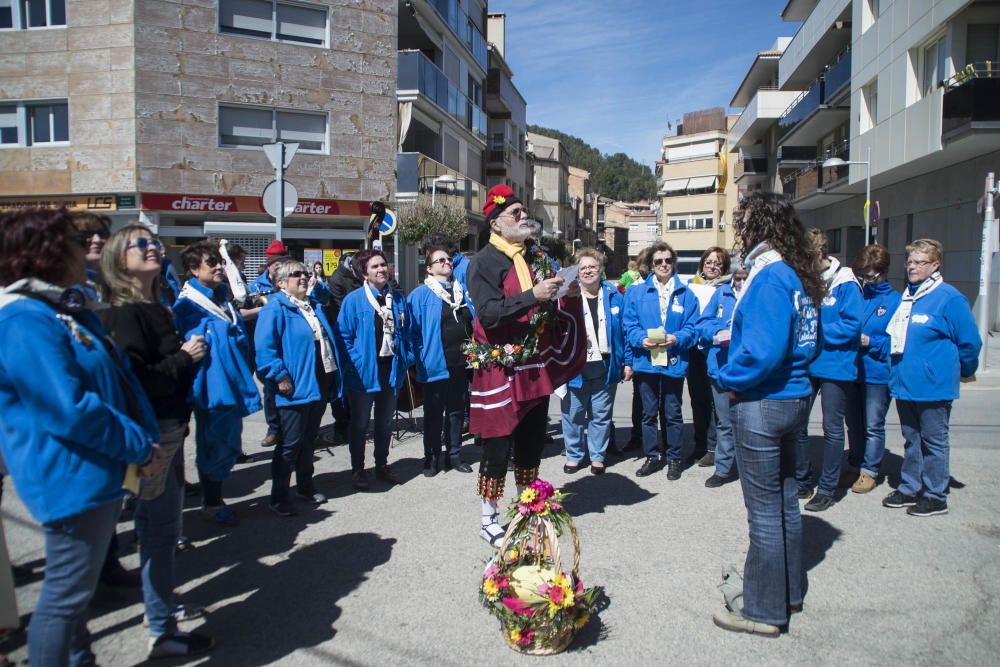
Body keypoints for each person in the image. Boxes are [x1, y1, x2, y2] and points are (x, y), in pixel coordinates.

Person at [0, 208, 165, 665]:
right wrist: (138, 444)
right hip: (71, 477)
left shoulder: (61, 307)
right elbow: (69, 409)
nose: (86, 247)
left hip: (93, 470)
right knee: (64, 600)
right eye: (74, 241)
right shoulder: (24, 319)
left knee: (75, 596)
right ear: (47, 253)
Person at [97, 225, 214, 658]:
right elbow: (136, 381)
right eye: (139, 244)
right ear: (117, 258)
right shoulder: (125, 313)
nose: (152, 248)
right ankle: (162, 628)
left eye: (153, 242)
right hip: (152, 432)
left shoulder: (155, 305)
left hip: (169, 426)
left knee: (161, 530)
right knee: (158, 530)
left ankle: (160, 616)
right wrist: (186, 356)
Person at [711, 191, 823, 636]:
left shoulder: (771, 276)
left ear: (758, 226)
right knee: (784, 505)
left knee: (763, 513)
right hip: (793, 397)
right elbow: (805, 341)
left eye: (744, 220)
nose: (739, 226)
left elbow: (761, 353)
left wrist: (725, 375)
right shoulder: (794, 273)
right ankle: (788, 592)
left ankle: (762, 611)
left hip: (764, 402)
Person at [467, 184, 585, 547]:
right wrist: (531, 296)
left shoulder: (535, 255)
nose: (523, 218)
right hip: (500, 366)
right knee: (497, 443)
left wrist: (567, 291)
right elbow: (487, 315)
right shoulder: (482, 262)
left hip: (534, 364)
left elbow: (549, 297)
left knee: (533, 440)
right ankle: (488, 514)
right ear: (496, 223)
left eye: (523, 212)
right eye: (515, 214)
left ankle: (527, 504)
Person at [883, 239, 981, 517]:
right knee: (912, 440)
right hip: (905, 384)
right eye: (910, 262)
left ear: (935, 265)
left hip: (933, 386)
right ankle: (910, 487)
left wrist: (962, 370)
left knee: (934, 442)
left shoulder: (949, 298)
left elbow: (970, 343)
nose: (912, 267)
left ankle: (935, 494)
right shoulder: (909, 296)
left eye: (920, 262)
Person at [173, 241, 262, 527]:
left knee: (227, 443)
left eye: (220, 262)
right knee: (213, 444)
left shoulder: (220, 296)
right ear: (192, 269)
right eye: (211, 263)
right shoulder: (187, 305)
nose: (219, 267)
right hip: (212, 385)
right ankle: (211, 503)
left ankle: (215, 497)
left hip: (232, 379)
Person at [256, 260, 341, 516]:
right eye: (296, 274)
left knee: (307, 441)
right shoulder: (275, 308)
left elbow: (326, 300)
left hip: (318, 381)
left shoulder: (311, 305)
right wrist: (279, 376)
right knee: (290, 443)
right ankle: (279, 496)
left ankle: (305, 486)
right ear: (281, 282)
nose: (303, 277)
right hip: (293, 386)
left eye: (305, 273)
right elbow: (264, 349)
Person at [796, 230, 864, 513]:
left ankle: (827, 488)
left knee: (832, 428)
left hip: (837, 365)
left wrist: (819, 325)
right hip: (808, 363)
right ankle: (802, 478)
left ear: (820, 254)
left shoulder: (846, 282)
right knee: (797, 423)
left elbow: (852, 326)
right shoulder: (805, 280)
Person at [623, 240, 700, 481]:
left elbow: (693, 327)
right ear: (651, 264)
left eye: (668, 260)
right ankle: (652, 456)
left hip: (674, 360)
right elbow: (629, 324)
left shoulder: (687, 293)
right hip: (646, 360)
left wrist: (677, 338)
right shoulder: (637, 292)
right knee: (648, 413)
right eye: (659, 261)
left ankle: (674, 457)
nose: (663, 265)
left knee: (672, 412)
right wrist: (640, 339)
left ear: (673, 263)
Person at [336, 248, 410, 490]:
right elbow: (343, 337)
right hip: (363, 372)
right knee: (359, 424)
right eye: (375, 267)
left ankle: (382, 464)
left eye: (383, 265)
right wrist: (356, 363)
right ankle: (358, 468)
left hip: (390, 369)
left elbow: (407, 331)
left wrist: (406, 358)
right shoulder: (353, 301)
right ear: (363, 274)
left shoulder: (397, 299)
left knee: (385, 422)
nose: (381, 270)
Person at [560, 248, 630, 475]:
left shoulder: (614, 295)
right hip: (575, 366)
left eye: (593, 266)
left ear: (601, 269)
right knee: (573, 414)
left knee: (601, 415)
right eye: (583, 267)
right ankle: (574, 455)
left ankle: (597, 456)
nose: (588, 270)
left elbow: (625, 331)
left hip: (606, 364)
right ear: (577, 272)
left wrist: (627, 362)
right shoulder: (567, 297)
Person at [408, 240, 475, 476]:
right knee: (434, 414)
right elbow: (412, 332)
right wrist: (419, 357)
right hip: (435, 363)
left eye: (448, 259)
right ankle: (432, 457)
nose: (447, 263)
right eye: (440, 260)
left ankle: (454, 454)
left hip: (461, 363)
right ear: (429, 268)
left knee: (457, 411)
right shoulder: (419, 295)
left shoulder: (462, 291)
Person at [845, 244, 901, 494]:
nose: (866, 280)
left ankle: (870, 470)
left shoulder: (895, 301)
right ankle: (854, 464)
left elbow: (898, 342)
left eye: (870, 275)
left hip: (877, 372)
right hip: (852, 369)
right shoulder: (857, 295)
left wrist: (872, 342)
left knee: (872, 424)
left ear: (882, 272)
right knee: (853, 422)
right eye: (862, 275)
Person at [696, 265, 747, 487]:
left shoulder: (758, 292)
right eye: (738, 275)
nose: (740, 280)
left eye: (745, 276)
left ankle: (751, 467)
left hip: (749, 369)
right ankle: (724, 468)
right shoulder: (721, 293)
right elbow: (703, 323)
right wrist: (716, 332)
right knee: (724, 421)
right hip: (721, 368)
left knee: (752, 423)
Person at [686, 247, 731, 466]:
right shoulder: (691, 286)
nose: (712, 266)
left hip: (717, 351)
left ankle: (714, 447)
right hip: (694, 350)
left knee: (716, 402)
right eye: (709, 262)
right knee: (698, 400)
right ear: (702, 264)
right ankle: (699, 443)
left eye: (718, 263)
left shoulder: (728, 288)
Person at [253, 241, 289, 448]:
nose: (278, 267)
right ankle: (273, 428)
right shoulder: (256, 286)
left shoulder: (292, 280)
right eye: (276, 264)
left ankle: (289, 427)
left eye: (282, 263)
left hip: (289, 342)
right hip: (266, 341)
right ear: (269, 265)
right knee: (270, 389)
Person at [324, 252, 361, 444]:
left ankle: (352, 423)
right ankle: (342, 426)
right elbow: (341, 310)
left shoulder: (360, 277)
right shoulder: (338, 280)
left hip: (360, 339)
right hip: (344, 339)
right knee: (343, 387)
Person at [624, 246, 655, 452]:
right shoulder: (634, 289)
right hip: (641, 350)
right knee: (641, 399)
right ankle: (638, 436)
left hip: (663, 350)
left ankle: (647, 438)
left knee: (655, 400)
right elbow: (628, 325)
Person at [70, 211, 111, 303]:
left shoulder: (119, 278)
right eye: (87, 234)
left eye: (102, 234)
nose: (97, 240)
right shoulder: (61, 284)